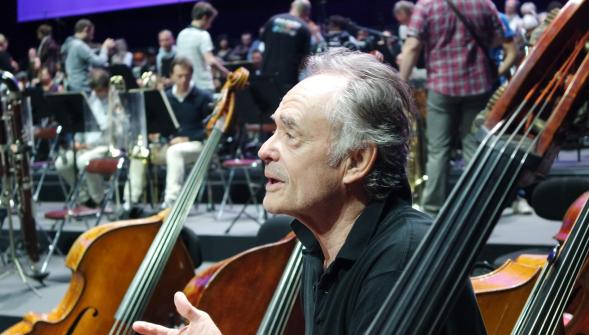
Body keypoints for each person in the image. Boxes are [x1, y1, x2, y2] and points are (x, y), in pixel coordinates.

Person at [132, 49, 485, 335]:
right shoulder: (320, 245)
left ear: (357, 160)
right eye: (274, 131)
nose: (264, 150)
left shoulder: (403, 260)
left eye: (291, 135)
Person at [400, 0, 504, 215]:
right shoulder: (483, 3)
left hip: (442, 87)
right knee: (474, 148)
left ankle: (432, 208)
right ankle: (479, 205)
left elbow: (412, 46)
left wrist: (399, 84)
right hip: (478, 85)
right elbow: (500, 37)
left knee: (439, 150)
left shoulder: (427, 5)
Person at [123, 56, 212, 210]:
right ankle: (130, 201)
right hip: (170, 145)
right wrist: (155, 133)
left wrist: (188, 138)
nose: (184, 80)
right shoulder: (167, 97)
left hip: (197, 145)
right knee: (139, 152)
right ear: (171, 76)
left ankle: (171, 202)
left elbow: (210, 129)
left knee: (174, 151)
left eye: (187, 75)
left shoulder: (203, 97)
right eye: (179, 76)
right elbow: (163, 124)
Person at [55, 69, 111, 207]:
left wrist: (89, 146)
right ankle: (84, 198)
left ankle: (99, 199)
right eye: (95, 90)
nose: (97, 94)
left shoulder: (115, 102)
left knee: (83, 161)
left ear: (107, 88)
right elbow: (82, 122)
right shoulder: (91, 99)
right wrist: (78, 141)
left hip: (105, 146)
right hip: (86, 146)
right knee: (61, 164)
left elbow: (110, 134)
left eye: (100, 90)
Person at [176, 1, 229, 93]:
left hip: (187, 86)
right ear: (204, 17)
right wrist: (226, 72)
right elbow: (210, 61)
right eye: (210, 21)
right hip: (203, 86)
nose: (210, 25)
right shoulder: (203, 35)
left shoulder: (181, 34)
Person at [261, 0, 312, 95]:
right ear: (307, 12)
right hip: (288, 79)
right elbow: (305, 59)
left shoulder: (273, 20)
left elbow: (261, 47)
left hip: (266, 76)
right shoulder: (304, 28)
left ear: (292, 6)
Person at [61, 19, 115, 92]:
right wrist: (105, 47)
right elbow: (100, 62)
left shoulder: (69, 43)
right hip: (83, 87)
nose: (92, 37)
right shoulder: (79, 45)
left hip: (71, 84)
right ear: (86, 30)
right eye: (92, 34)